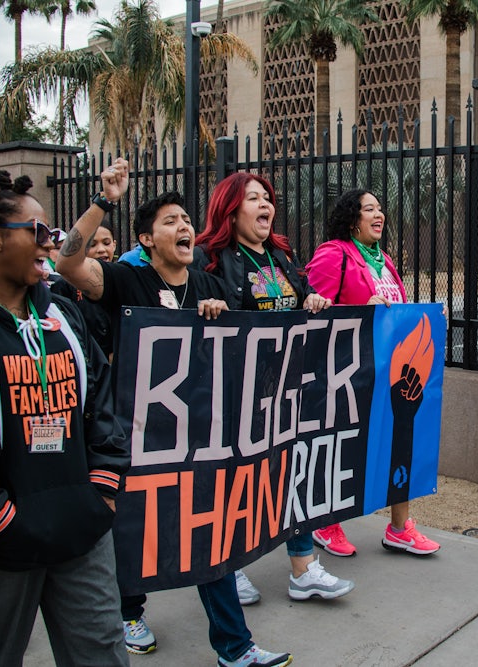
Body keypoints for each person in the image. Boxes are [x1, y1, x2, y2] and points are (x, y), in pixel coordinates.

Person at [55, 157, 292, 667]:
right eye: (170, 222)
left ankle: (235, 647)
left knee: (207, 534)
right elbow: (67, 264)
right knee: (131, 526)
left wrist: (221, 318)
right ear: (147, 240)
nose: (184, 226)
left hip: (194, 436)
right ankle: (128, 610)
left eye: (186, 219)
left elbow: (237, 350)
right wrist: (104, 201)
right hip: (133, 436)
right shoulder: (124, 279)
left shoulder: (207, 285)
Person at [0, 171, 131, 666]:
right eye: (37, 232)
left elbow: (101, 404)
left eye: (53, 233)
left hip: (81, 531)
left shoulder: (63, 316)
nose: (50, 243)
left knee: (102, 652)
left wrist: (100, 491)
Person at [193, 172, 355, 601]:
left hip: (285, 391)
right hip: (234, 394)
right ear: (230, 208)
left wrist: (312, 300)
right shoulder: (208, 257)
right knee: (237, 481)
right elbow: (187, 312)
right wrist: (205, 308)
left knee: (291, 475)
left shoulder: (280, 255)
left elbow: (301, 300)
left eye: (268, 198)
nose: (265, 205)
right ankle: (233, 567)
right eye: (253, 198)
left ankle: (304, 569)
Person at [305, 189, 441, 557]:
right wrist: (360, 308)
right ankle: (325, 522)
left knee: (400, 441)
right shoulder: (334, 253)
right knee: (344, 446)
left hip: (389, 372)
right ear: (352, 219)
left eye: (380, 209)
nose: (378, 215)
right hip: (346, 372)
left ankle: (400, 528)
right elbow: (311, 311)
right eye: (369, 210)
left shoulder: (384, 259)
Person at [50, 217, 116, 358]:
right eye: (92, 245)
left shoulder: (123, 280)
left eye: (106, 243)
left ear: (114, 245)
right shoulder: (64, 286)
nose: (101, 250)